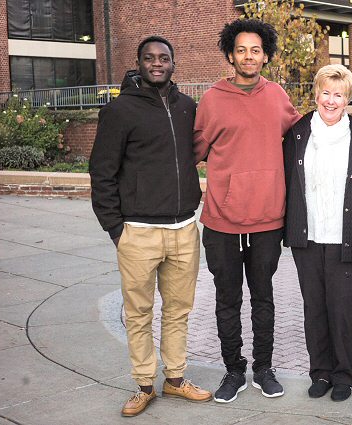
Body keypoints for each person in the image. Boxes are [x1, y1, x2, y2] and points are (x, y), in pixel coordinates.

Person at [90, 36, 211, 417]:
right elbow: (102, 173)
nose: (157, 63)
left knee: (178, 311)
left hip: (184, 230)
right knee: (139, 313)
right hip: (137, 232)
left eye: (164, 58)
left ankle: (175, 380)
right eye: (149, 58)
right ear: (139, 63)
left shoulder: (187, 107)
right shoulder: (120, 111)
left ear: (173, 65)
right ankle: (144, 384)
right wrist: (116, 228)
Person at [193, 19, 300, 402]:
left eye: (256, 49)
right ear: (230, 54)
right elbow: (192, 152)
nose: (248, 56)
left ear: (265, 54)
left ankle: (263, 368)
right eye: (241, 49)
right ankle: (233, 371)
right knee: (227, 299)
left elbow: (300, 140)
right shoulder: (212, 99)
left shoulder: (277, 96)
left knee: (264, 297)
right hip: (222, 219)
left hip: (268, 217)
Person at [283, 64, 352, 402]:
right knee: (314, 309)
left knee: (342, 310)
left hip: (346, 239)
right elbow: (286, 183)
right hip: (307, 239)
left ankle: (344, 376)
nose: (330, 100)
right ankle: (320, 373)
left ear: (347, 98)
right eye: (325, 92)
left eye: (338, 94)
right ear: (316, 94)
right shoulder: (298, 133)